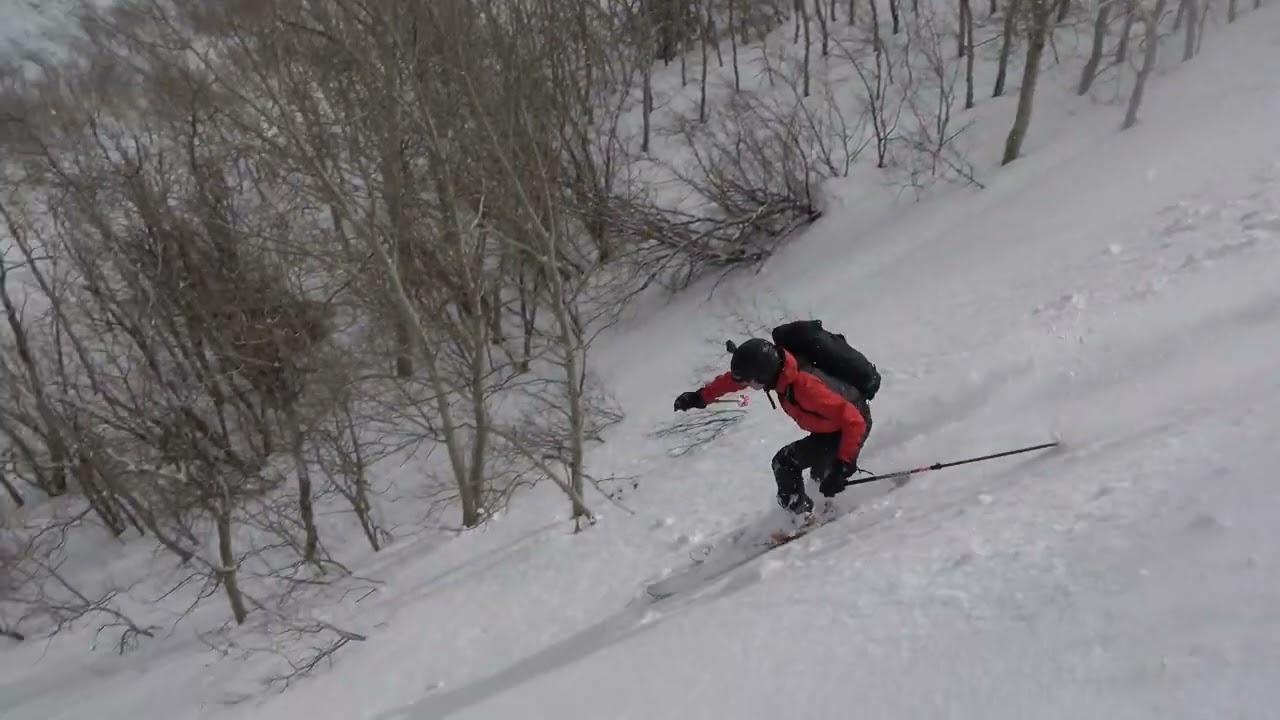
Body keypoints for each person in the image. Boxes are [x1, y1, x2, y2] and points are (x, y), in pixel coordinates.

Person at [673, 321, 876, 516]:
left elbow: (854, 421)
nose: (748, 385)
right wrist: (700, 397)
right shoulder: (780, 370)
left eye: (750, 380)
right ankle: (831, 506)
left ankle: (802, 517)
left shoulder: (805, 388)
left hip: (848, 426)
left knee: (786, 463)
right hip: (830, 428)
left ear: (762, 375)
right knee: (819, 475)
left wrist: (843, 466)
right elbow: (734, 381)